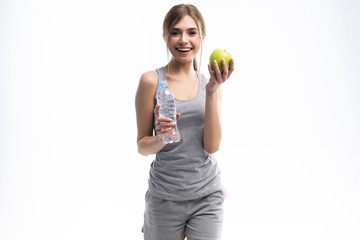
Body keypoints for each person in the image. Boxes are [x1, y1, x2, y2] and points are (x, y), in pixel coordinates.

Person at [135, 4, 234, 240]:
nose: (183, 40)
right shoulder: (151, 81)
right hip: (165, 198)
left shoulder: (210, 85)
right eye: (175, 32)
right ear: (165, 37)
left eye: (192, 32)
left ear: (202, 37)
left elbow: (212, 147)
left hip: (206, 196)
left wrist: (212, 90)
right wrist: (160, 138)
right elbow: (141, 146)